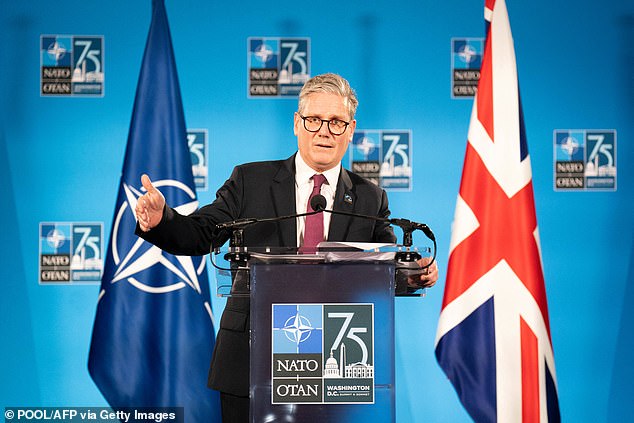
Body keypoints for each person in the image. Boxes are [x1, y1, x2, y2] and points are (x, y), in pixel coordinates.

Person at [134, 73, 439, 422]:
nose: (324, 131)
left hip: (335, 364)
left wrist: (415, 274)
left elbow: (386, 267)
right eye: (314, 120)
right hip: (251, 358)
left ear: (351, 129)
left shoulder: (370, 197)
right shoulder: (250, 181)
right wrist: (161, 220)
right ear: (297, 123)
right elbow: (202, 233)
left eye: (337, 122)